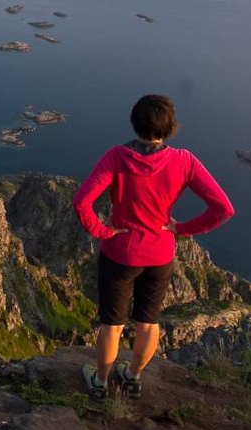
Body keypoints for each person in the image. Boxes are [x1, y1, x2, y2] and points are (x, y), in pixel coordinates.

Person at [73, 94, 234, 399]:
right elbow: (223, 208)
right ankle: (133, 377)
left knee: (112, 324)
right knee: (148, 321)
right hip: (161, 254)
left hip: (120, 253)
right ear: (171, 127)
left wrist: (102, 231)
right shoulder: (184, 161)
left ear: (134, 123)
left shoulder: (117, 157)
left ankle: (101, 382)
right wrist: (182, 229)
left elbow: (82, 201)